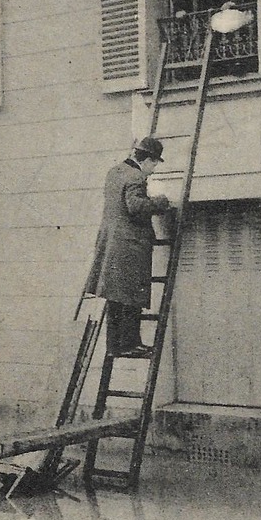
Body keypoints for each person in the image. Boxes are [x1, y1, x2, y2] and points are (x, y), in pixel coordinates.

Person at [85, 137, 173, 358]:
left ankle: (116, 346)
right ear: (147, 160)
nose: (152, 171)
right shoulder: (136, 176)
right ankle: (130, 344)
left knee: (116, 298)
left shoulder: (114, 172)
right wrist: (159, 203)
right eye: (153, 165)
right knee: (132, 296)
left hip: (111, 245)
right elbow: (135, 206)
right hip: (129, 246)